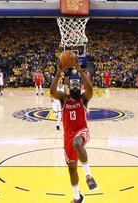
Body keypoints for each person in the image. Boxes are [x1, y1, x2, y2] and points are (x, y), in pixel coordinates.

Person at [50, 57, 97, 203]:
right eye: (73, 84)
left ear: (80, 86)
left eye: (78, 84)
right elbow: (52, 92)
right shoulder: (64, 98)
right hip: (67, 137)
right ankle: (77, 197)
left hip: (82, 131)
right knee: (71, 168)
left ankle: (89, 175)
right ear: (69, 86)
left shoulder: (84, 99)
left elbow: (90, 89)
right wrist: (58, 74)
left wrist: (81, 71)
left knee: (78, 143)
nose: (76, 86)